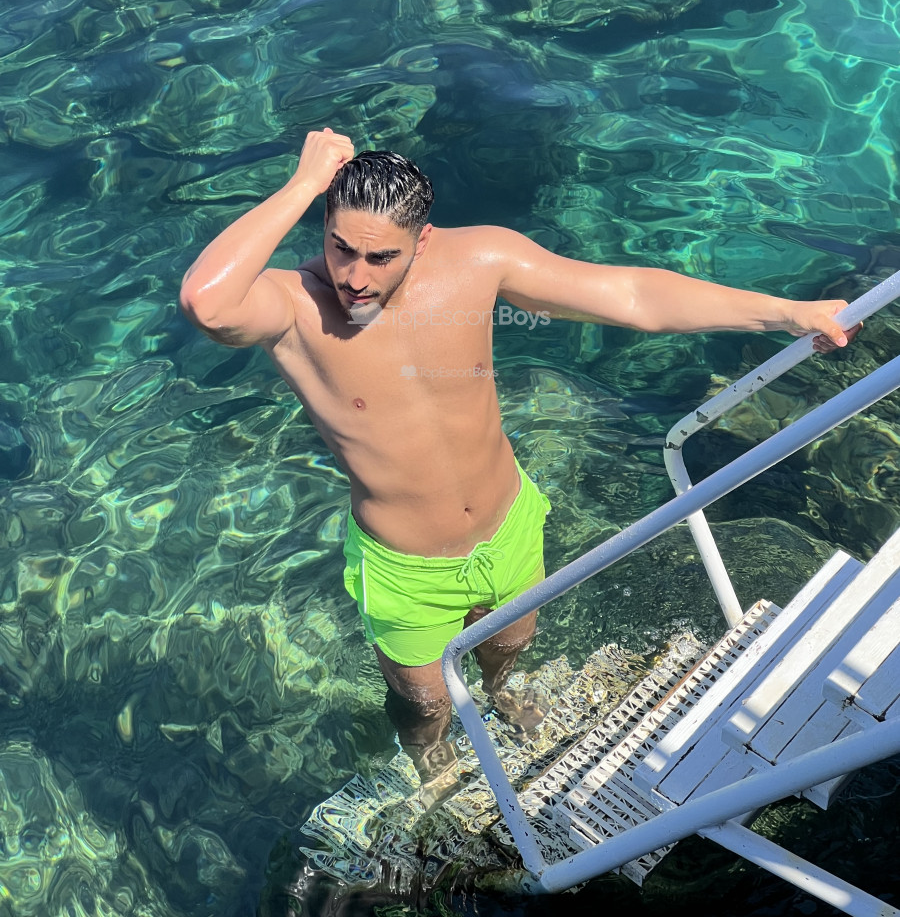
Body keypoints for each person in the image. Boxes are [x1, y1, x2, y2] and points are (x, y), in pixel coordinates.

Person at [179, 128, 856, 796]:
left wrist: (786, 313)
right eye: (341, 248)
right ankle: (433, 767)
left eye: (380, 257)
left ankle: (503, 695)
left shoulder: (478, 260)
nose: (355, 278)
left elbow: (633, 296)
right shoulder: (296, 307)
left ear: (423, 240)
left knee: (510, 646)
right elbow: (206, 301)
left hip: (508, 528)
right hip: (408, 568)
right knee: (424, 703)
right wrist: (304, 183)